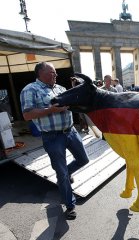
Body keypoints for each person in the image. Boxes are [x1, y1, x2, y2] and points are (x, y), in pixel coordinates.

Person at [20, 62, 90, 220]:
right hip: (52, 137)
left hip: (71, 131)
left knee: (83, 159)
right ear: (41, 74)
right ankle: (70, 205)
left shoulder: (61, 88)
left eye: (55, 73)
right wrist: (50, 110)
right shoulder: (30, 89)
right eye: (52, 73)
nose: (56, 75)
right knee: (61, 172)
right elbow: (27, 115)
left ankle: (66, 174)